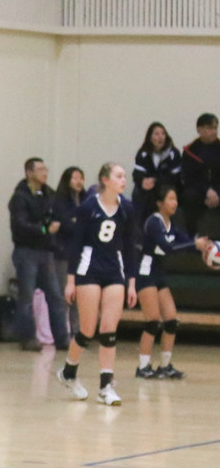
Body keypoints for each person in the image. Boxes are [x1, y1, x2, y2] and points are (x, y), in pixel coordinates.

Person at [58, 162, 140, 406]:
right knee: (87, 330)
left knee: (109, 330)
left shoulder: (127, 208)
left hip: (114, 269)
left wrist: (132, 282)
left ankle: (106, 386)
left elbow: (130, 247)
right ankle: (68, 373)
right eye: (118, 176)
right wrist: (70, 280)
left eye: (124, 176)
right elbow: (76, 245)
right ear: (105, 180)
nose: (123, 180)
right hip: (89, 268)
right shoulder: (88, 208)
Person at [134, 183, 211, 380]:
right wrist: (193, 243)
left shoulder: (172, 224)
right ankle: (143, 367)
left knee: (171, 321)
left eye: (176, 199)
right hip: (146, 273)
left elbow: (185, 243)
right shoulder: (154, 222)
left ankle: (165, 366)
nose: (175, 203)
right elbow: (168, 248)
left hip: (158, 273)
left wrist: (205, 248)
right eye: (170, 199)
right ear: (160, 203)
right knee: (152, 321)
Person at [9, 157, 70, 352]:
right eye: (40, 169)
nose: (45, 173)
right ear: (29, 173)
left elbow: (57, 214)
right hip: (26, 251)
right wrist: (44, 229)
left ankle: (62, 339)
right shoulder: (20, 198)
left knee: (55, 296)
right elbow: (20, 225)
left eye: (45, 169)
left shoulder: (49, 194)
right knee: (26, 297)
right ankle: (28, 338)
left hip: (46, 251)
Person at [52, 166, 88, 336]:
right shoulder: (60, 200)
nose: (78, 181)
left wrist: (76, 222)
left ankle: (77, 332)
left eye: (81, 178)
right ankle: (62, 332)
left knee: (80, 296)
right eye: (74, 178)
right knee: (64, 293)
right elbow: (65, 224)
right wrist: (78, 224)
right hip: (64, 252)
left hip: (82, 254)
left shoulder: (87, 200)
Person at [131, 122, 182, 220]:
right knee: (137, 192)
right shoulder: (143, 153)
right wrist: (142, 181)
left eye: (163, 134)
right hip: (150, 186)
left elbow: (176, 177)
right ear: (150, 137)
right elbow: (137, 173)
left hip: (168, 185)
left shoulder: (173, 153)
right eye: (156, 134)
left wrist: (155, 180)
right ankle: (138, 225)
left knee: (164, 193)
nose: (160, 137)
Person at [181, 112, 220, 239]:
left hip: (218, 190)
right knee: (189, 196)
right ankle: (192, 235)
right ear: (199, 130)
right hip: (199, 191)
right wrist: (207, 191)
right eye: (209, 128)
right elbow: (188, 177)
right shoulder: (190, 151)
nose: (214, 132)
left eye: (215, 128)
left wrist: (217, 192)